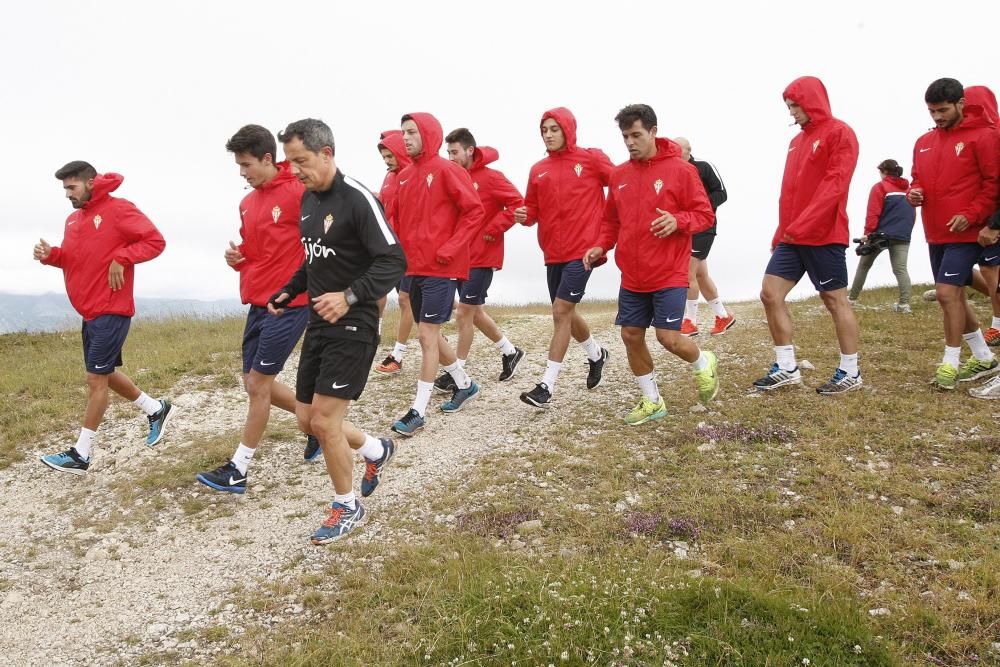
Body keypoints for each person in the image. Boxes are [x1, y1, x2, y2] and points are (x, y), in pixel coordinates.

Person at [269, 118, 406, 544]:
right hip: (319, 322)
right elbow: (314, 259)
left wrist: (349, 296)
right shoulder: (309, 201)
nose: (295, 171)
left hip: (355, 320)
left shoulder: (359, 199)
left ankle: (347, 507)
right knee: (307, 421)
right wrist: (289, 290)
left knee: (326, 422)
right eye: (290, 162)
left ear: (326, 153)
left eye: (301, 161)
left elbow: (394, 261)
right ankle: (375, 450)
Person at [195, 125, 317, 495]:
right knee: (253, 382)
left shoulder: (299, 191)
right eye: (238, 166)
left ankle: (238, 469)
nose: (242, 173)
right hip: (257, 302)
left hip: (290, 304)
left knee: (259, 385)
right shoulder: (248, 203)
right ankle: (314, 427)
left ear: (268, 158)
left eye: (247, 164)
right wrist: (238, 258)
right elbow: (255, 249)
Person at [584, 104, 718, 425]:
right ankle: (652, 401)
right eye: (625, 136)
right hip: (632, 273)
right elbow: (610, 222)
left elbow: (704, 215)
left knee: (668, 338)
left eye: (636, 135)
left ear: (653, 132)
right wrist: (600, 246)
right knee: (630, 335)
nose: (630, 142)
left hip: (669, 270)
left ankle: (703, 362)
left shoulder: (682, 171)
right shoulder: (618, 175)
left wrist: (678, 220)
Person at [36, 161, 171, 474]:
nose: (67, 194)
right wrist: (52, 256)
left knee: (96, 379)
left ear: (91, 182)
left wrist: (122, 257)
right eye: (65, 189)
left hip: (112, 309)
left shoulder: (119, 209)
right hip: (90, 311)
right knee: (105, 373)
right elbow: (77, 261)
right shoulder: (73, 220)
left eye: (72, 187)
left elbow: (155, 241)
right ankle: (156, 409)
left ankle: (80, 454)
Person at [754, 76, 862, 395]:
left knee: (834, 300)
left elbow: (835, 184)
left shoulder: (840, 132)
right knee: (770, 293)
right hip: (792, 236)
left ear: (812, 101)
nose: (791, 112)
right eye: (788, 106)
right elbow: (789, 192)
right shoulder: (797, 141)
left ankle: (851, 372)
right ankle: (787, 367)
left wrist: (804, 223)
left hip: (824, 234)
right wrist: (782, 229)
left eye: (795, 105)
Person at [386, 113, 485, 436]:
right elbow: (396, 223)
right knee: (430, 332)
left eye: (412, 132)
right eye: (403, 133)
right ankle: (464, 384)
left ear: (428, 134)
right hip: (413, 267)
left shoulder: (448, 170)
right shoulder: (403, 176)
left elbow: (474, 212)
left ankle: (418, 411)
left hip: (442, 269)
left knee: (427, 335)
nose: (406, 138)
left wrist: (451, 248)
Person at [513, 107, 614, 409]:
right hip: (552, 252)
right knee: (565, 312)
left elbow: (624, 185)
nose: (548, 134)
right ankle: (597, 355)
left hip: (584, 250)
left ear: (568, 129)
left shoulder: (591, 159)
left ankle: (546, 386)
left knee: (560, 310)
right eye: (544, 130)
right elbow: (532, 210)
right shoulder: (538, 169)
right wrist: (524, 215)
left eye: (554, 128)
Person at [908, 78, 1000, 391]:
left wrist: (972, 215)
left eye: (943, 109)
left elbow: (992, 185)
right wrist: (914, 192)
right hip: (935, 232)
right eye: (932, 111)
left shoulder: (984, 137)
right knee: (955, 295)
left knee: (947, 294)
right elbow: (916, 177)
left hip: (967, 232)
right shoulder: (923, 141)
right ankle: (983, 356)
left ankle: (949, 362)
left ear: (961, 103)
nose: (936, 116)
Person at [436, 127, 525, 389]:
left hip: (483, 256)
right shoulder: (452, 176)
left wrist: (492, 229)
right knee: (474, 313)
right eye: (447, 152)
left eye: (454, 152)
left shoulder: (492, 178)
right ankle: (510, 352)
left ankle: (457, 373)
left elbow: (518, 204)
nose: (450, 157)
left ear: (469, 150)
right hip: (460, 256)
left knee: (464, 312)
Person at [672, 137, 736, 337]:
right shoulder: (675, 172)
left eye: (676, 149)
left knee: (687, 272)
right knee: (700, 275)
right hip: (686, 228)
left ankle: (690, 322)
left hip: (704, 227)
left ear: (688, 150)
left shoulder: (703, 167)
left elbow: (722, 193)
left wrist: (700, 208)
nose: (673, 153)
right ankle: (723, 316)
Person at [846, 159, 916, 312]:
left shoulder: (880, 187)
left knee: (864, 265)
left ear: (884, 171)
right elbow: (912, 215)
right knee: (901, 269)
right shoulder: (909, 190)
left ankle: (851, 300)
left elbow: (873, 213)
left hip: (881, 235)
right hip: (903, 235)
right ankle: (904, 305)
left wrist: (867, 234)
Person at [373, 130, 416, 375]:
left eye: (390, 156)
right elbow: (388, 206)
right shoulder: (389, 177)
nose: (388, 161)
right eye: (384, 157)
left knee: (404, 299)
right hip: (389, 247)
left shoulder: (413, 176)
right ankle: (375, 334)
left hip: (410, 249)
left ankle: (397, 355)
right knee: (378, 292)